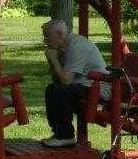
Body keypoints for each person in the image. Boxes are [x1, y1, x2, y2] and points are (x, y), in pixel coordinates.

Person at [41, 19, 110, 148]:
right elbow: (58, 80)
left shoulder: (76, 46)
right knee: (51, 89)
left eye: (47, 37)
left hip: (98, 88)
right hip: (84, 85)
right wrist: (52, 61)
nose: (45, 41)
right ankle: (59, 133)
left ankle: (66, 136)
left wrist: (54, 59)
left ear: (60, 34)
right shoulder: (66, 45)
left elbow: (66, 81)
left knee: (61, 92)